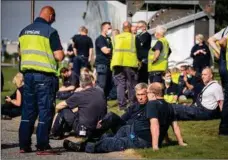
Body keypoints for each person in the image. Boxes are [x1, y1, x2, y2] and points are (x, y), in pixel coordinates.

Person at [63, 82, 186, 153]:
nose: (142, 96)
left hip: (138, 138)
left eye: (145, 93)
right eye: (139, 95)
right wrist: (175, 141)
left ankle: (83, 147)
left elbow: (156, 124)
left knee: (110, 142)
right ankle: (91, 139)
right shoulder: (167, 106)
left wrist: (155, 146)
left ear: (151, 94)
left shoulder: (152, 105)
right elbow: (169, 123)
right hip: (130, 130)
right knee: (111, 130)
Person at [18, 6, 64, 154]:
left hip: (28, 76)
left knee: (28, 111)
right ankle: (42, 145)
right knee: (45, 111)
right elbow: (59, 56)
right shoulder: (50, 31)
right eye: (54, 19)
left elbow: (20, 52)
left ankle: (24, 145)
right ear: (50, 16)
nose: (53, 22)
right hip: (44, 77)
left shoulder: (24, 31)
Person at [50, 74, 107, 139]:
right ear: (91, 82)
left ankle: (55, 133)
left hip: (84, 131)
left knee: (64, 110)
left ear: (80, 84)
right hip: (99, 129)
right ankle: (66, 130)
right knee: (77, 111)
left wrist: (57, 112)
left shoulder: (79, 95)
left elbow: (58, 106)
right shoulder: (100, 92)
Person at [208, 24, 228, 135]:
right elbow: (222, 42)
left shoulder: (227, 28)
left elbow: (210, 40)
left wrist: (220, 54)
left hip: (224, 65)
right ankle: (225, 129)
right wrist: (222, 51)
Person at [111, 21, 139, 110]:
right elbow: (138, 51)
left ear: (122, 28)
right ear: (130, 28)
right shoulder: (134, 37)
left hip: (117, 63)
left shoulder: (116, 38)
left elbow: (114, 50)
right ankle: (132, 104)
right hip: (130, 63)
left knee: (120, 85)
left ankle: (122, 106)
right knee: (131, 84)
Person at [95, 22, 113, 98]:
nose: (110, 30)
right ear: (103, 29)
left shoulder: (108, 39)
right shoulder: (100, 39)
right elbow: (105, 50)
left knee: (108, 86)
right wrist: (112, 49)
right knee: (101, 85)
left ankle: (103, 103)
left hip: (108, 64)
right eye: (109, 28)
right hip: (102, 64)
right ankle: (97, 101)